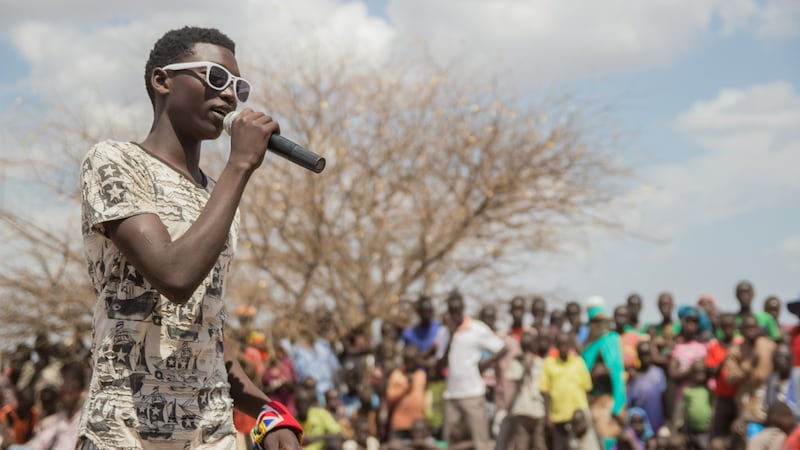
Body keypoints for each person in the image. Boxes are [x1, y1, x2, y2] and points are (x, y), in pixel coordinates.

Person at [78, 26, 302, 450]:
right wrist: (240, 165)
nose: (230, 96)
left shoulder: (214, 193)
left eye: (238, 86)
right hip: (123, 432)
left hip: (210, 434)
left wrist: (268, 413)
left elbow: (203, 331)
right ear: (162, 81)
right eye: (215, 78)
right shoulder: (115, 161)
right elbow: (175, 276)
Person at [436, 290, 507, 450]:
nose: (455, 314)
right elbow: (440, 364)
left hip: (473, 394)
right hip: (452, 395)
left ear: (463, 308)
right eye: (451, 311)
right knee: (449, 442)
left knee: (480, 442)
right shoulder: (444, 332)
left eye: (457, 310)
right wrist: (451, 336)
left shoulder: (476, 328)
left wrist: (483, 364)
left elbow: (502, 348)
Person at [581, 303, 626, 450]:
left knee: (606, 440)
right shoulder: (587, 347)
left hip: (606, 401)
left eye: (602, 322)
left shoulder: (611, 340)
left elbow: (616, 373)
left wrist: (618, 406)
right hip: (589, 401)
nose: (599, 325)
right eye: (595, 322)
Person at [540, 332, 593, 450]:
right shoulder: (549, 363)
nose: (563, 347)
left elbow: (588, 389)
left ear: (570, 345)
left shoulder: (578, 362)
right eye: (560, 344)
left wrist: (586, 413)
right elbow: (545, 392)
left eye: (565, 344)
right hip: (558, 418)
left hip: (579, 418)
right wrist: (548, 417)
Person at [627, 342, 666, 432]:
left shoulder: (658, 373)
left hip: (657, 423)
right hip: (639, 427)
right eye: (642, 355)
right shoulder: (634, 377)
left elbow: (664, 398)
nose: (645, 358)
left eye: (647, 354)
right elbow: (629, 403)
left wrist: (666, 421)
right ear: (638, 356)